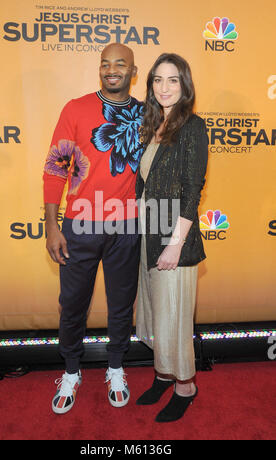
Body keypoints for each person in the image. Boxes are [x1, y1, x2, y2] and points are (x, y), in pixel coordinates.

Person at [43, 43, 144, 414]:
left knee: (121, 306)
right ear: (99, 69)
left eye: (120, 64)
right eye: (105, 64)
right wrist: (52, 226)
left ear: (134, 72)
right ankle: (71, 371)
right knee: (71, 306)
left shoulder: (147, 114)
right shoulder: (76, 108)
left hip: (127, 226)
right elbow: (56, 168)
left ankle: (116, 367)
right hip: (79, 226)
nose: (111, 70)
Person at [135, 53, 208, 422]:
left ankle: (186, 387)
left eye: (173, 80)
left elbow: (193, 190)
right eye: (158, 80)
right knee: (155, 314)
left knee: (175, 318)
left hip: (173, 242)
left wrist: (176, 244)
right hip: (149, 236)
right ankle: (164, 374)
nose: (164, 88)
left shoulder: (192, 127)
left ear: (185, 85)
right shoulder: (155, 126)